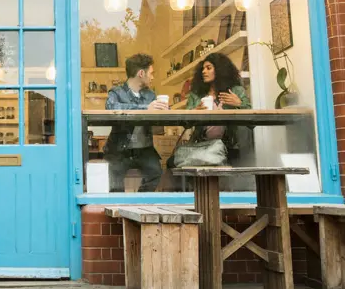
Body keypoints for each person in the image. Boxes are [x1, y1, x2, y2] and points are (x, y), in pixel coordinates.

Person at [171, 52, 254, 189]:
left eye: (209, 68)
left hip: (230, 147)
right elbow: (185, 122)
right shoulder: (196, 95)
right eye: (203, 69)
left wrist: (239, 103)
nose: (204, 71)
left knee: (231, 185)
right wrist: (193, 113)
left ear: (220, 69)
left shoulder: (235, 91)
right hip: (203, 146)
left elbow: (251, 122)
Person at [103, 53, 169, 192]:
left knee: (156, 172)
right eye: (151, 73)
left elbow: (159, 115)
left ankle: (140, 202)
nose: (153, 77)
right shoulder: (116, 92)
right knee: (114, 180)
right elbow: (112, 108)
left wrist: (165, 110)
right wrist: (146, 108)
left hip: (144, 150)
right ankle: (119, 207)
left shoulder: (150, 95)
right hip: (119, 149)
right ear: (141, 73)